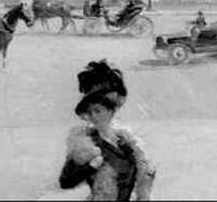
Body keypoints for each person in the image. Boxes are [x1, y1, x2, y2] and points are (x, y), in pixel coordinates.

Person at [59, 59, 156, 201]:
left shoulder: (125, 140)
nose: (93, 116)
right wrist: (91, 167)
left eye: (98, 110)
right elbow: (66, 181)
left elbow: (142, 178)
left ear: (111, 110)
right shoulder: (85, 143)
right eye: (90, 112)